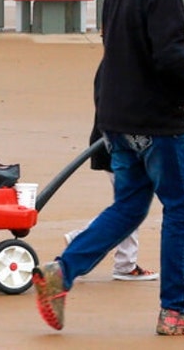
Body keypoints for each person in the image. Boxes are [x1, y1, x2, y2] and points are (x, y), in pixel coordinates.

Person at [31, 0, 184, 336]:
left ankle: (63, 270)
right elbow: (170, 57)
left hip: (118, 122)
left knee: (130, 206)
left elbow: (117, 57)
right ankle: (176, 310)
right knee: (181, 209)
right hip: (156, 124)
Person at [63, 117, 158, 281]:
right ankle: (86, 240)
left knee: (129, 205)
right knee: (130, 206)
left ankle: (124, 262)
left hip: (109, 138)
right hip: (118, 142)